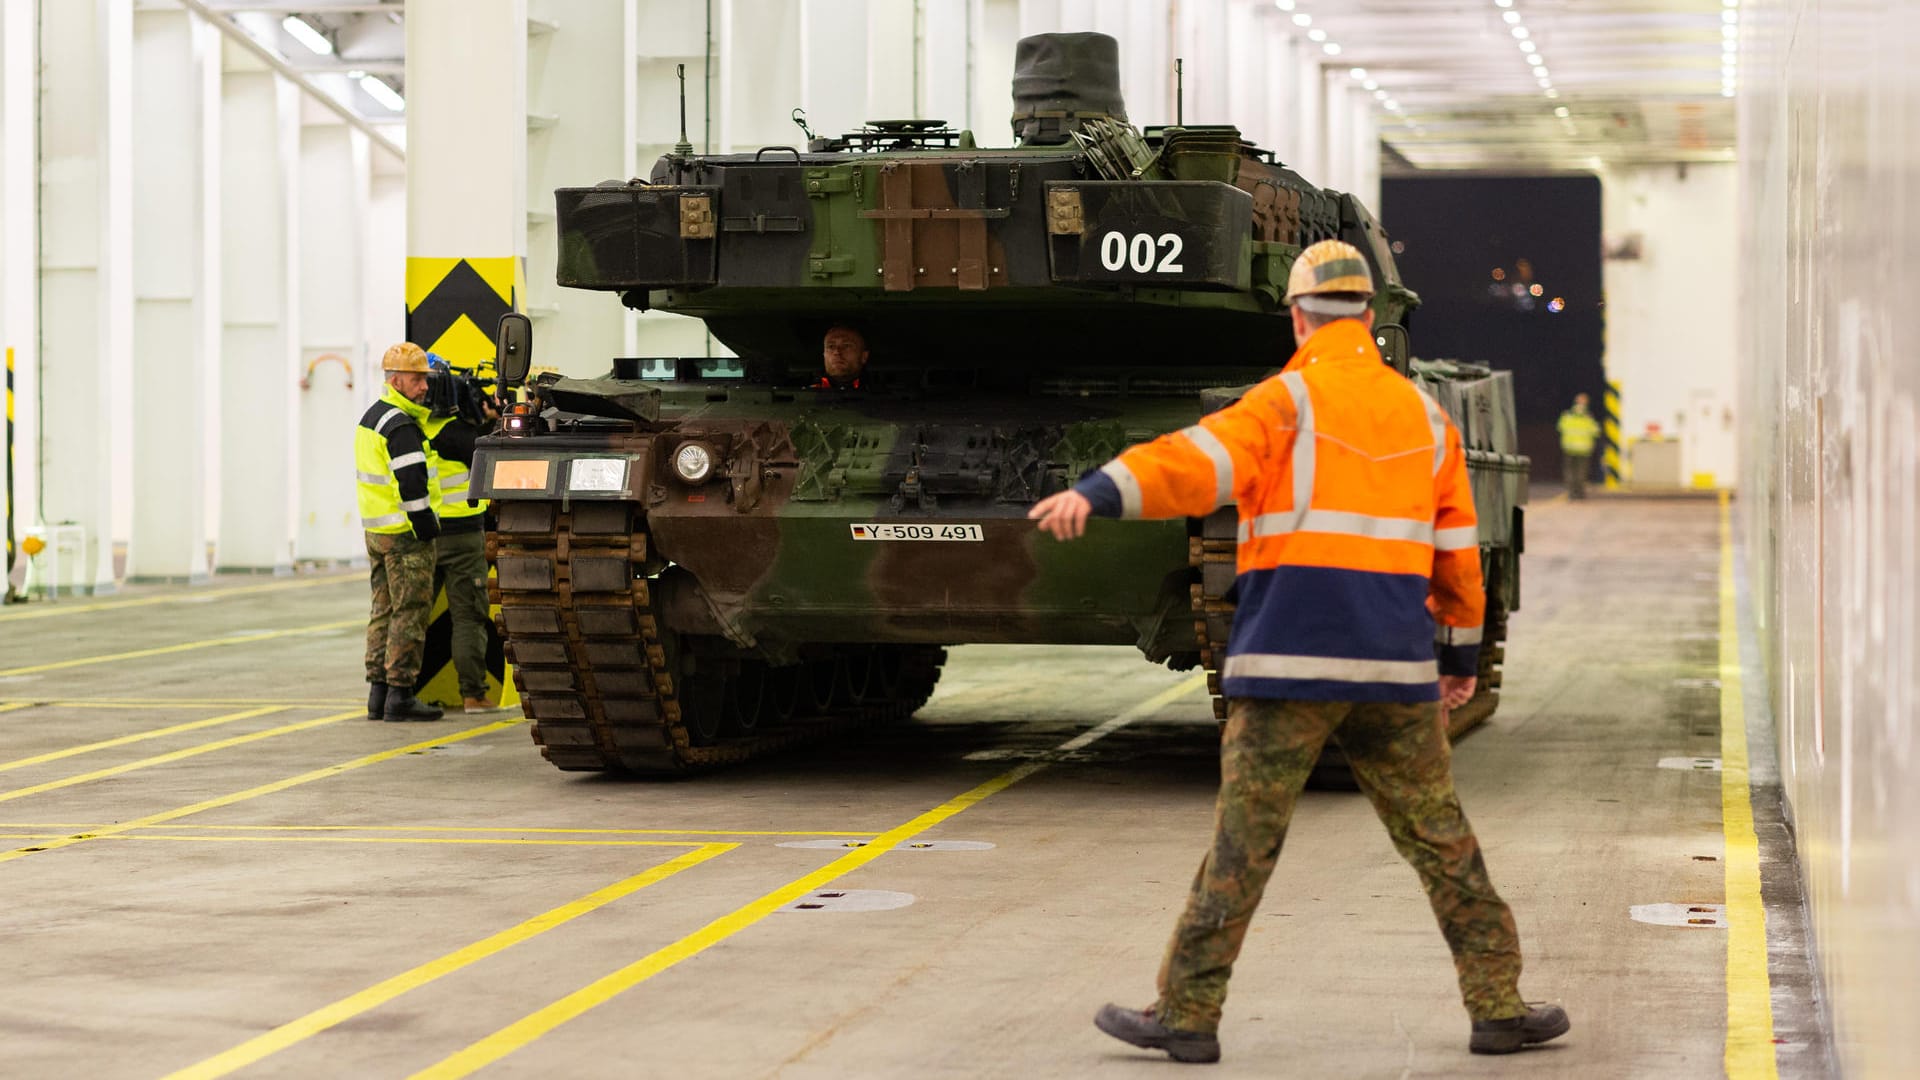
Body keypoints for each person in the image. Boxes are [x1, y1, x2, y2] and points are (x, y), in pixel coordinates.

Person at [1029, 239, 1567, 1065]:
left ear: (1298, 315)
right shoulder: (1424, 414)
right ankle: (1498, 1005)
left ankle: (1188, 1014)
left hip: (1288, 669)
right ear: (1367, 314)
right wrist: (1458, 663)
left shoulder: (1285, 402)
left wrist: (1096, 491)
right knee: (1442, 838)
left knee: (1244, 844)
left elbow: (1192, 464)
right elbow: (1458, 554)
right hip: (1393, 672)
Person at [355, 342, 444, 723]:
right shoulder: (401, 426)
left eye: (425, 378)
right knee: (409, 611)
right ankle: (401, 694)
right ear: (395, 380)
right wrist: (426, 526)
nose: (424, 387)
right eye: (416, 379)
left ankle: (378, 694)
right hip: (406, 535)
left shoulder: (371, 417)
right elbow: (411, 483)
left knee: (383, 609)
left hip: (377, 532)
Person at [421, 358, 503, 714]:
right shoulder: (462, 437)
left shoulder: (414, 427)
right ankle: (473, 694)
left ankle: (396, 691)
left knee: (410, 616)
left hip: (422, 533)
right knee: (468, 617)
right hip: (463, 537)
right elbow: (494, 456)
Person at [1556, 392, 1601, 499]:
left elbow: (1559, 428)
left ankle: (1572, 493)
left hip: (1569, 447)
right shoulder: (1588, 417)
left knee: (1569, 471)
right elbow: (1596, 432)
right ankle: (1580, 493)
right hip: (1584, 449)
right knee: (1581, 472)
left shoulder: (1566, 416)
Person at [817, 325, 869, 389]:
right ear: (824, 355)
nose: (837, 352)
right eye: (831, 346)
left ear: (864, 356)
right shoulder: (804, 393)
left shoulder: (881, 394)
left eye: (846, 346)